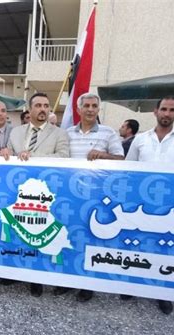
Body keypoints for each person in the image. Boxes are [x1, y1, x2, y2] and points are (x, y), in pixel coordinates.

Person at [125, 96, 174, 315]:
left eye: (172, 110)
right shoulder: (140, 140)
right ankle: (130, 286)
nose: (167, 114)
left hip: (172, 208)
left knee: (165, 247)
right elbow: (128, 169)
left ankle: (163, 293)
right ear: (155, 112)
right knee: (137, 244)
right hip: (141, 203)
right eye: (164, 109)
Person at [55, 92, 124, 302]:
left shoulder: (108, 132)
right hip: (70, 196)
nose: (91, 109)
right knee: (68, 237)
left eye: (94, 106)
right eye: (86, 106)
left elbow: (121, 159)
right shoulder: (67, 132)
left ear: (98, 109)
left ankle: (87, 284)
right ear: (78, 109)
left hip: (96, 196)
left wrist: (103, 155)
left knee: (90, 239)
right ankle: (66, 281)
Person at [0, 92, 70, 297]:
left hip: (44, 196)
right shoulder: (16, 132)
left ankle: (36, 279)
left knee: (40, 233)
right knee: (19, 230)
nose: (42, 109)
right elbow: (10, 155)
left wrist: (32, 156)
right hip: (18, 194)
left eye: (46, 106)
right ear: (29, 110)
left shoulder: (59, 134)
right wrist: (5, 152)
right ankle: (14, 272)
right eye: (38, 105)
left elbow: (63, 157)